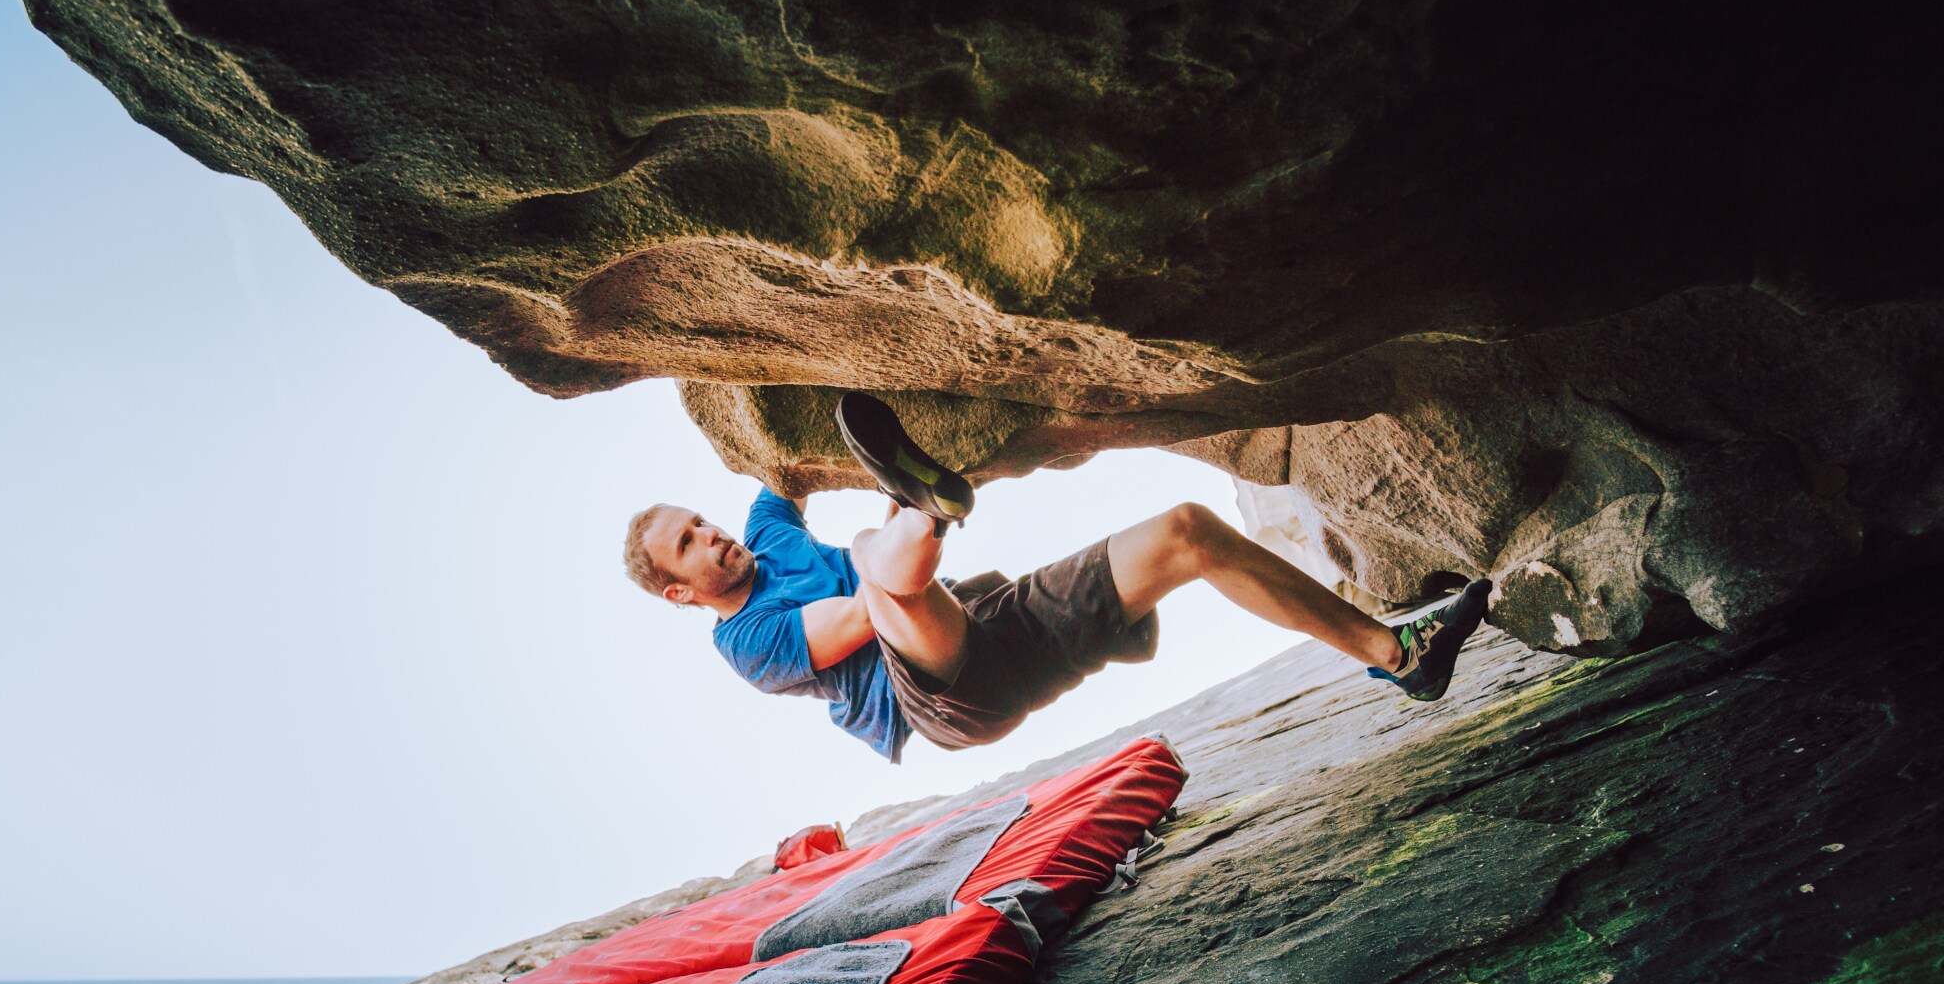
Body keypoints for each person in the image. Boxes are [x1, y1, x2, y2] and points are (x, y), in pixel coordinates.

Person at [623, 393, 1490, 762]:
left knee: (1187, 531)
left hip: (990, 619)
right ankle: (924, 508)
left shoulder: (766, 532)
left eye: (700, 520)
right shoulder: (745, 642)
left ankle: (1399, 655)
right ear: (677, 590)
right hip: (939, 697)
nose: (710, 535)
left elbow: (783, 459)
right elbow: (855, 617)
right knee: (883, 584)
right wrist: (893, 526)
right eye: (688, 545)